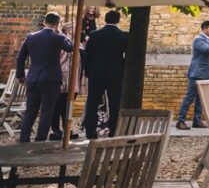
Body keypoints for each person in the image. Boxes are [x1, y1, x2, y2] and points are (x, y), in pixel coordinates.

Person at [15, 12, 73, 143]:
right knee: (47, 111)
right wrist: (63, 34)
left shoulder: (30, 37)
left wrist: (20, 76)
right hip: (51, 80)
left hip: (33, 78)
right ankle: (40, 140)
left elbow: (20, 58)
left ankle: (24, 139)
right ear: (57, 24)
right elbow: (70, 48)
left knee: (30, 111)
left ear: (44, 22)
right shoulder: (58, 37)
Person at [82, 10, 128, 138]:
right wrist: (122, 68)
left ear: (106, 20)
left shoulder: (94, 35)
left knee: (93, 101)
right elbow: (127, 57)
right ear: (118, 20)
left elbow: (87, 55)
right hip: (116, 74)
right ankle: (113, 130)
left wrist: (88, 72)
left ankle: (90, 131)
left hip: (97, 73)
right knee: (115, 103)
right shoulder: (124, 36)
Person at [175, 20, 209, 130]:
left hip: (207, 73)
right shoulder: (198, 40)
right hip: (197, 73)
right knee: (189, 98)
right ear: (204, 28)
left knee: (200, 99)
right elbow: (208, 50)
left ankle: (197, 121)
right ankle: (180, 121)